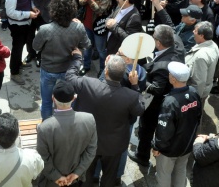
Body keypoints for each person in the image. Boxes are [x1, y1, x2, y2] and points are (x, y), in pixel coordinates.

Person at [65, 51, 144, 187]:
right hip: (114, 146)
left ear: (106, 71)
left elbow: (70, 77)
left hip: (89, 142)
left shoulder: (88, 84)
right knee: (109, 177)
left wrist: (77, 58)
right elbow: (139, 109)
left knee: (86, 176)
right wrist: (135, 85)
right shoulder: (131, 96)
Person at [129, 25, 184, 168]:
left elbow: (157, 89)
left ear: (158, 43)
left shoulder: (162, 66)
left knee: (146, 129)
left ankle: (142, 156)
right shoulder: (176, 47)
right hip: (171, 97)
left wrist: (140, 80)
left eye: (153, 37)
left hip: (155, 104)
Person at [33, 0, 90, 120]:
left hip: (48, 70)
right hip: (68, 70)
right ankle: (67, 122)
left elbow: (35, 47)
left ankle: (46, 125)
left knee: (46, 102)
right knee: (68, 101)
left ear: (53, 10)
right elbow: (86, 44)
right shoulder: (78, 27)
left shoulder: (45, 29)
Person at [36, 81, 97, 187]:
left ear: (53, 99)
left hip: (52, 182)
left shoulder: (44, 128)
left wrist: (56, 176)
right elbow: (91, 150)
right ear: (73, 98)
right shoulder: (89, 119)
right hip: (75, 180)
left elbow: (43, 158)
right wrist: (77, 173)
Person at [152, 62, 202, 187]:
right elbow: (198, 117)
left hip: (169, 149)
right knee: (180, 170)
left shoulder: (170, 102)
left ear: (173, 79)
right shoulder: (194, 93)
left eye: (170, 74)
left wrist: (157, 147)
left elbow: (164, 130)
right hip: (187, 145)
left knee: (164, 174)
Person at [3, 0, 39, 85]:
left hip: (26, 22)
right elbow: (10, 12)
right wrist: (28, 14)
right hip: (17, 25)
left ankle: (18, 63)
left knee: (22, 44)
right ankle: (14, 72)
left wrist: (33, 7)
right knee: (17, 48)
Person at [77, 0, 113, 76]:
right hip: (87, 23)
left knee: (101, 50)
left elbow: (100, 10)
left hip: (98, 26)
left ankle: (102, 69)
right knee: (87, 47)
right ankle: (86, 66)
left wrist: (89, 0)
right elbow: (81, 2)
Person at [185, 21, 219, 103]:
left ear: (201, 36)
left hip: (197, 94)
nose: (193, 32)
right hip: (205, 88)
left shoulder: (200, 56)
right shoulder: (213, 45)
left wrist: (194, 100)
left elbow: (199, 82)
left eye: (195, 31)